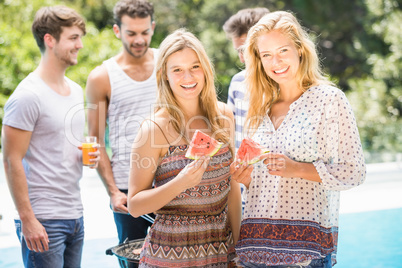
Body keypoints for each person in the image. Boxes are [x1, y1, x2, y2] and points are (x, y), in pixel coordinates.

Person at [230, 11, 366, 267]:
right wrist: (247, 179)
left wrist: (297, 169)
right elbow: (262, 182)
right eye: (266, 54)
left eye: (283, 50)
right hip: (255, 248)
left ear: (300, 50)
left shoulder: (329, 99)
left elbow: (354, 172)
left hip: (305, 251)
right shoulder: (259, 105)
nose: (276, 61)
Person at [127, 29, 242, 267]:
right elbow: (135, 206)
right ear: (164, 75)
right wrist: (181, 182)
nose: (187, 77)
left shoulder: (223, 116)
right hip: (168, 254)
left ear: (206, 70)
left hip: (219, 249)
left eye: (195, 67)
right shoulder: (152, 129)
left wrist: (239, 248)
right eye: (177, 69)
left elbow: (232, 189)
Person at [1, 6, 100, 267]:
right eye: (73, 38)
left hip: (75, 215)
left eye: (80, 37)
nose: (80, 45)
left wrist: (85, 155)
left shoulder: (76, 91)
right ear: (50, 40)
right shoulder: (28, 96)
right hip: (42, 220)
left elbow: (60, 148)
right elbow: (11, 160)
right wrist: (28, 219)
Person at [85, 1, 158, 265]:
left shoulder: (169, 63)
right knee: (133, 261)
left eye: (144, 32)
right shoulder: (101, 77)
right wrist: (113, 191)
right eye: (131, 33)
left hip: (171, 180)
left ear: (152, 27)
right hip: (127, 188)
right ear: (117, 30)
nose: (139, 40)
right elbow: (94, 140)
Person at [223, 7, 270, 149]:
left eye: (245, 49)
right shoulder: (237, 82)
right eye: (238, 51)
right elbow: (230, 133)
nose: (242, 59)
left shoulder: (287, 84)